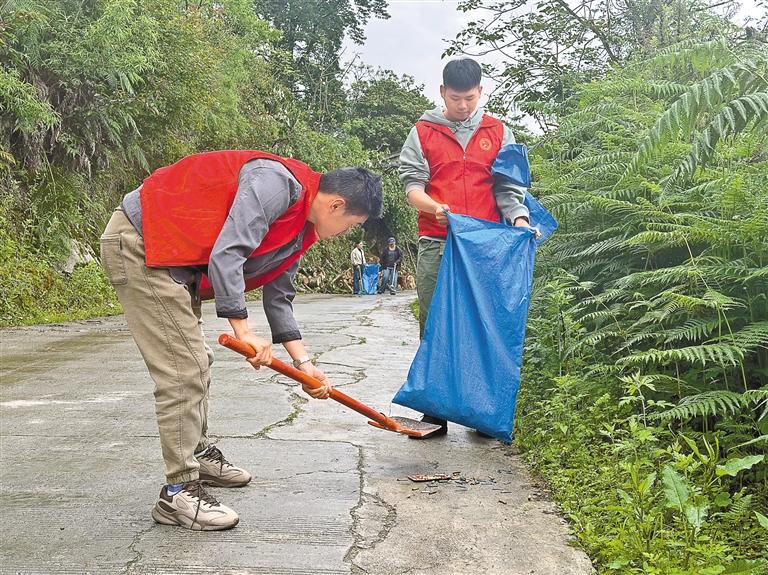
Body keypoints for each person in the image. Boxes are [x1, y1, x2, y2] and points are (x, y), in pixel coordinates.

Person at [100, 150, 383, 530]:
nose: (346, 233)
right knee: (183, 370)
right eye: (352, 225)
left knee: (197, 360)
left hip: (173, 258)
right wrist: (243, 329)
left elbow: (279, 297)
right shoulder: (275, 182)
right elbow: (229, 251)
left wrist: (304, 364)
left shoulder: (301, 229)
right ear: (336, 205)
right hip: (141, 243)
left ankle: (197, 454)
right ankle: (177, 493)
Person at [398, 58, 531, 437]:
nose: (463, 106)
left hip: (485, 248)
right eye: (456, 98)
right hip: (437, 242)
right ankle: (434, 410)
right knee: (434, 322)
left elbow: (508, 188)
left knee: (484, 324)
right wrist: (434, 208)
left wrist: (520, 220)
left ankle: (481, 411)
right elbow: (412, 187)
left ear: (480, 92)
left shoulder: (499, 131)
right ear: (442, 92)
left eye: (470, 98)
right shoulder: (422, 132)